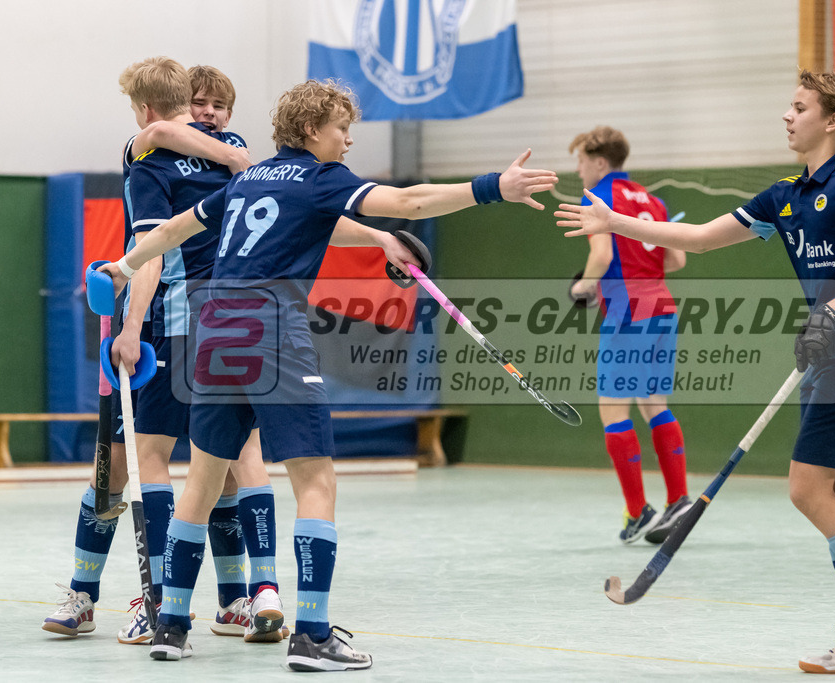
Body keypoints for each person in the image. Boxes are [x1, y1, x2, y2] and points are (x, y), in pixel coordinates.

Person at [100, 78, 557, 671]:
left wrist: (124, 265)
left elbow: (176, 228)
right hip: (270, 330)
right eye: (343, 129)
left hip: (213, 331)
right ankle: (313, 636)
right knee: (315, 481)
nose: (347, 140)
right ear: (314, 130)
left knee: (203, 482)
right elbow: (412, 201)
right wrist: (495, 186)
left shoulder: (248, 177)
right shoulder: (322, 179)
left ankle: (172, 626)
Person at [555, 70, 835, 676]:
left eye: (799, 106)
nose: (787, 116)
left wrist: (833, 310)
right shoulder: (784, 195)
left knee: (807, 490)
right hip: (828, 356)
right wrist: (617, 224)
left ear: (832, 119)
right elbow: (701, 239)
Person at [41, 56, 251, 640]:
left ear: (141, 109)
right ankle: (234, 599)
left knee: (132, 464)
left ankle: (146, 597)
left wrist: (130, 331)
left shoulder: (148, 161)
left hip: (169, 324)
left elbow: (153, 252)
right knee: (221, 467)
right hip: (238, 327)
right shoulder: (231, 149)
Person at [183, 64, 289, 643]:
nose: (210, 113)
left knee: (241, 452)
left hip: (225, 312)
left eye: (219, 104)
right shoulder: (161, 152)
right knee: (211, 467)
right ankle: (231, 601)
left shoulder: (232, 150)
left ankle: (259, 589)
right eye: (198, 103)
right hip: (173, 318)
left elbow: (233, 153)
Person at [566, 126, 691, 544]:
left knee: (613, 412)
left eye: (581, 161)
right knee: (654, 403)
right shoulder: (652, 200)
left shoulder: (597, 198)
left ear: (599, 162)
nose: (579, 170)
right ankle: (679, 501)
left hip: (628, 312)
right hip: (663, 309)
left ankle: (638, 513)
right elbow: (675, 259)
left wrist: (582, 286)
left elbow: (600, 255)